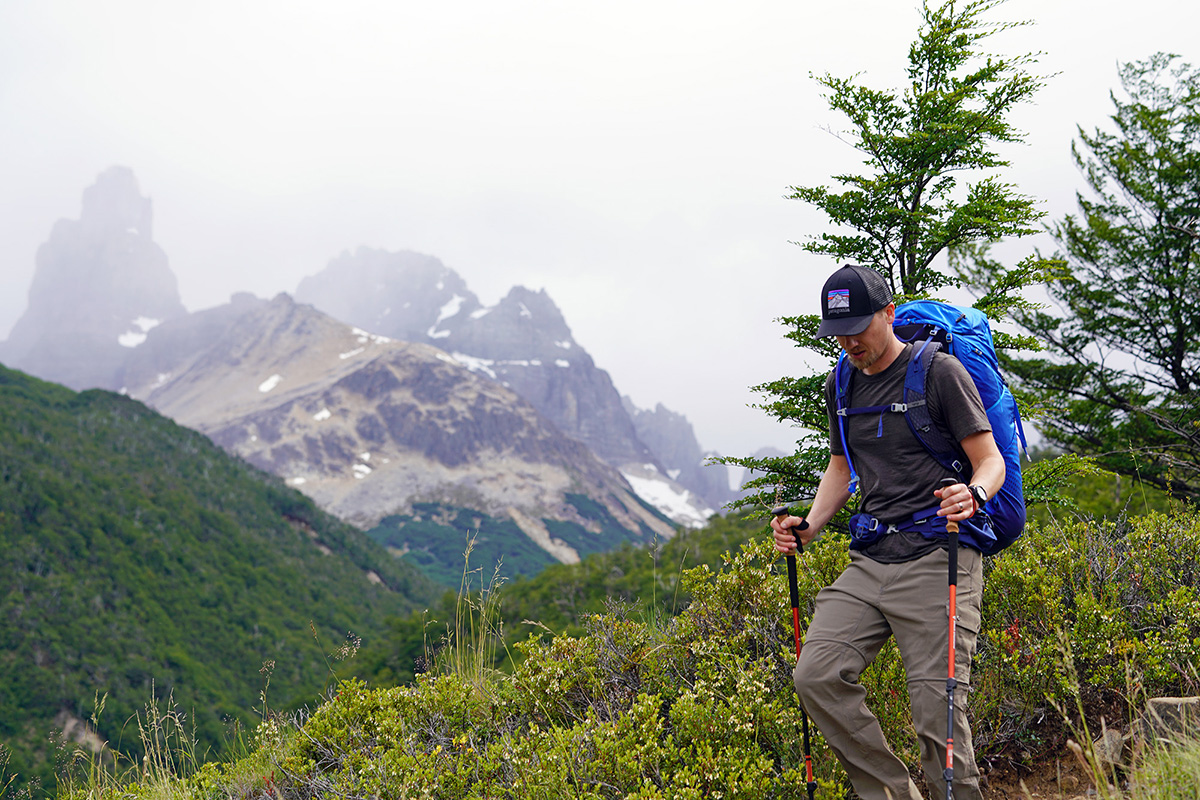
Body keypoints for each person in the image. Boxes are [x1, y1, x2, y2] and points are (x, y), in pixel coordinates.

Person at [771, 264, 1006, 800]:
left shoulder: (939, 373)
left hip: (938, 554)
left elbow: (988, 460)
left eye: (859, 325)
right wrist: (809, 526)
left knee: (936, 712)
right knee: (816, 676)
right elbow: (840, 466)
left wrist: (974, 494)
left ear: (888, 313)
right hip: (872, 557)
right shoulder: (841, 382)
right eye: (838, 332)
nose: (850, 340)